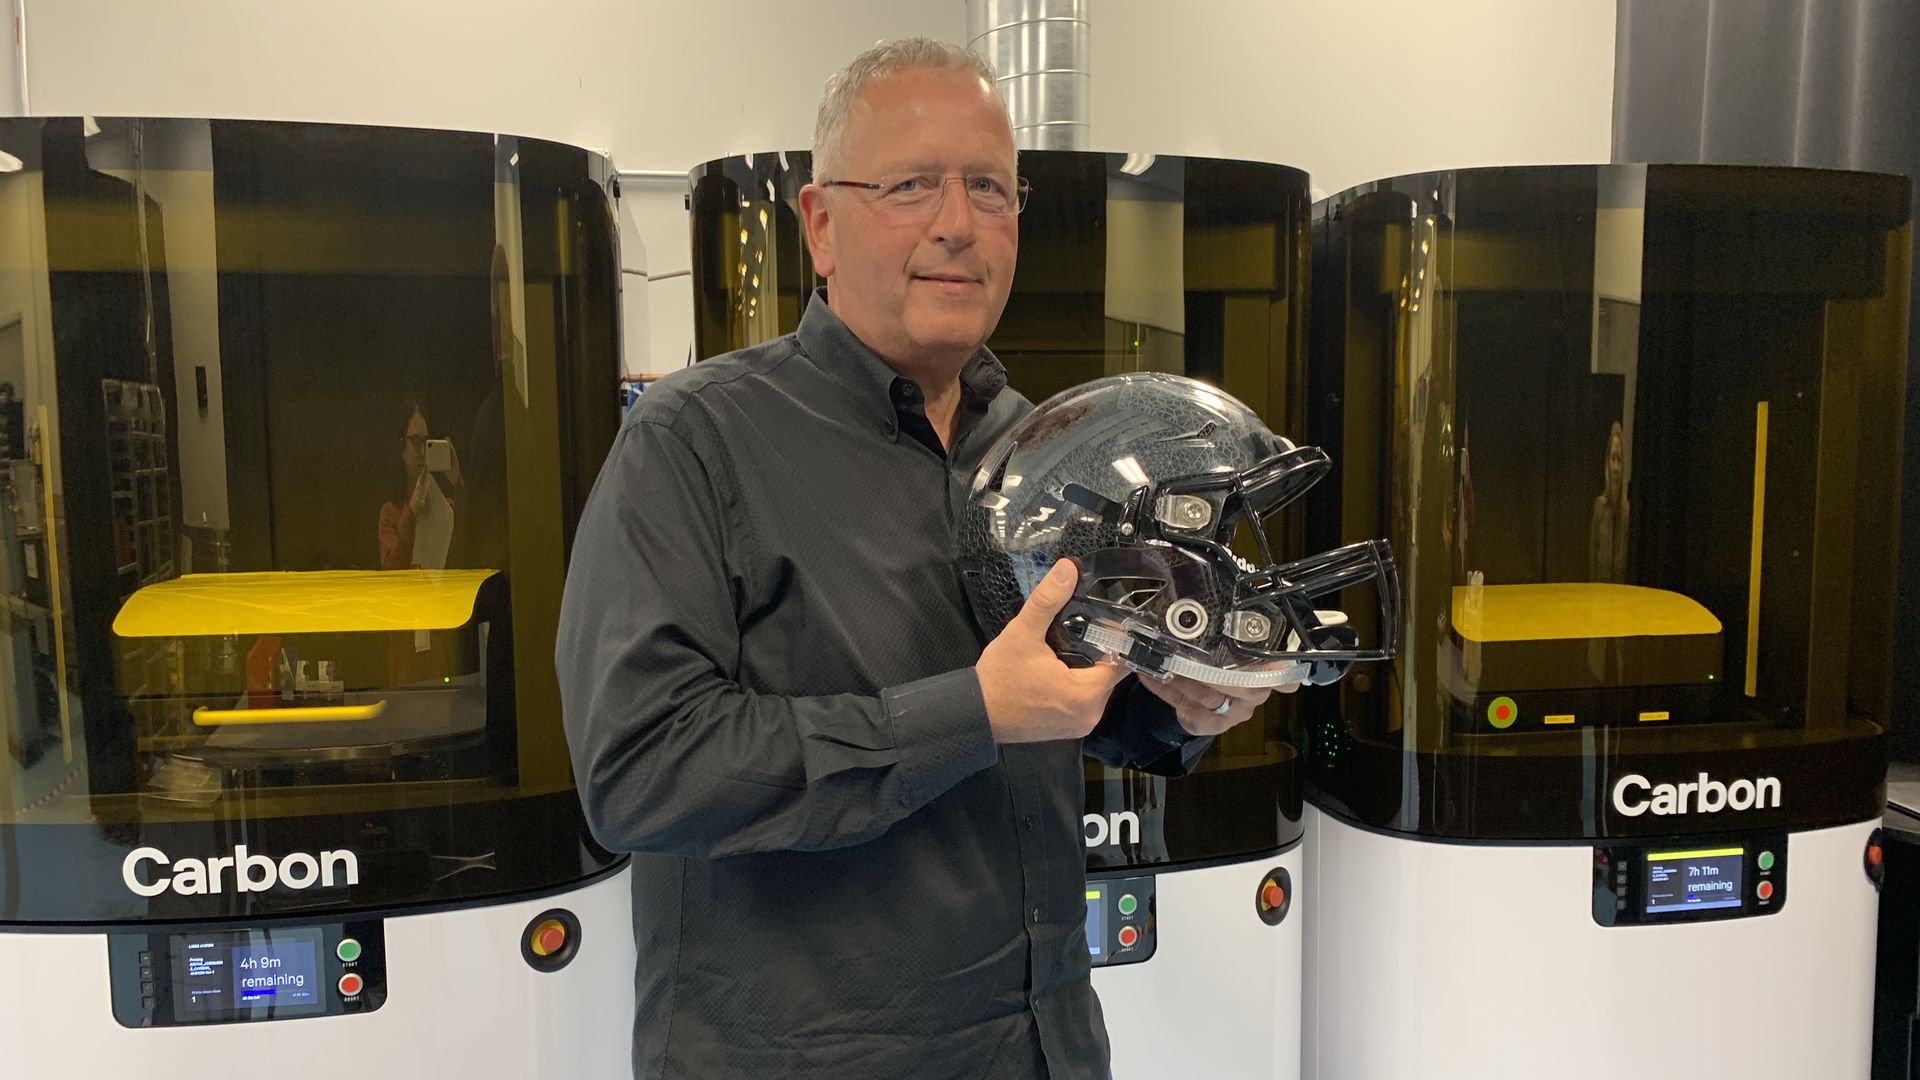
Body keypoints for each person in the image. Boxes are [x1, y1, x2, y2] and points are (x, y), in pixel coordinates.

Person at [556, 39, 1284, 1080]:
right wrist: (970, 713)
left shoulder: (1045, 446)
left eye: (989, 187)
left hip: (1045, 1044)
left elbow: (1072, 689)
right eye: (910, 186)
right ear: (820, 225)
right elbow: (641, 771)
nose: (958, 222)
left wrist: (1180, 703)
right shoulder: (694, 443)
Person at [1589, 419, 1629, 583]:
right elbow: (1592, 557)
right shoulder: (1599, 505)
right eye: (1613, 459)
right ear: (1607, 463)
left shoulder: (1626, 511)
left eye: (1619, 460)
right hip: (1598, 591)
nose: (1616, 468)